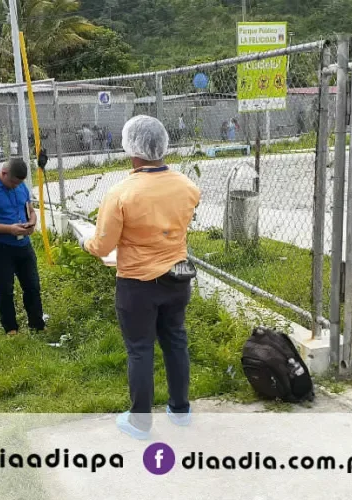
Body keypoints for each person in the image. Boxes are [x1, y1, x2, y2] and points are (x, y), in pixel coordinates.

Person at [80, 115, 200, 440]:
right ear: (163, 145)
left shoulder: (121, 194)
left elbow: (103, 245)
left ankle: (140, 422)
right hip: (177, 276)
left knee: (140, 349)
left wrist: (86, 242)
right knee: (175, 340)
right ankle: (180, 410)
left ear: (129, 148)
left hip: (137, 284)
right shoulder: (187, 187)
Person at [0, 158, 46, 336]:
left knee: (32, 285)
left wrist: (32, 223)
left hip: (23, 245)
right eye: (13, 182)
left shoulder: (20, 186)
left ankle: (37, 325)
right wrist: (9, 229)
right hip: (0, 247)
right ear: (4, 173)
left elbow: (31, 210)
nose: (15, 186)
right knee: (5, 289)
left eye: (19, 183)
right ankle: (11, 329)